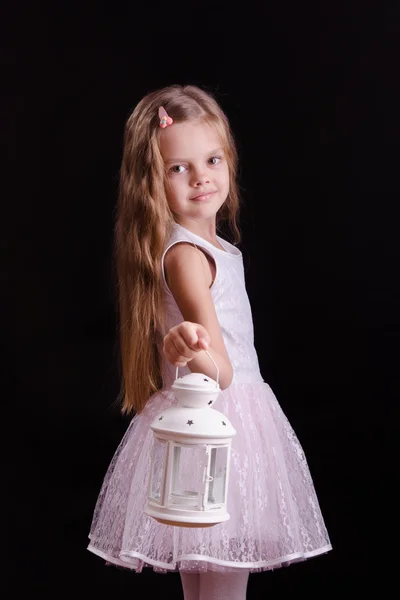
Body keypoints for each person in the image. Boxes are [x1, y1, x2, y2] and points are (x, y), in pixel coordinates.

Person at [87, 84, 332, 600]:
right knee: (220, 586)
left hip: (213, 424)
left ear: (230, 161)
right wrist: (187, 347)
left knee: (204, 587)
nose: (201, 177)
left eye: (212, 159)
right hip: (221, 427)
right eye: (178, 168)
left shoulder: (208, 248)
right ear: (152, 183)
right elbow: (219, 369)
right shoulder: (188, 257)